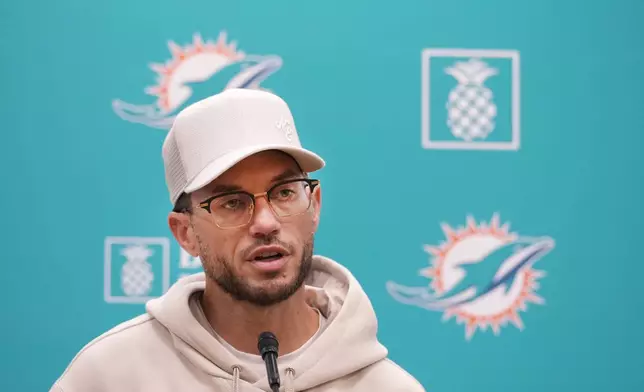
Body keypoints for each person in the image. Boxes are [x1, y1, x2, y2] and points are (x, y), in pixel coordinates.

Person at [50, 88, 425, 392]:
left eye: (283, 193)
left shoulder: (388, 387)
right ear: (186, 233)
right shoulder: (109, 378)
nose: (265, 223)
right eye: (232, 202)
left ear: (314, 205)